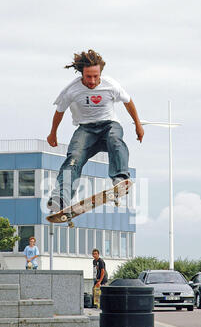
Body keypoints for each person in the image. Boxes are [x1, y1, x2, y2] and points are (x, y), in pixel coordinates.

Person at [46, 49, 144, 212]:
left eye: (95, 76)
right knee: (74, 158)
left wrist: (138, 125)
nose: (92, 81)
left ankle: (120, 178)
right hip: (86, 130)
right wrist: (53, 132)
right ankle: (60, 197)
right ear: (81, 74)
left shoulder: (111, 85)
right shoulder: (71, 90)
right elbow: (59, 111)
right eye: (88, 77)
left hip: (109, 125)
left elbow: (128, 102)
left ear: (100, 74)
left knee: (115, 139)